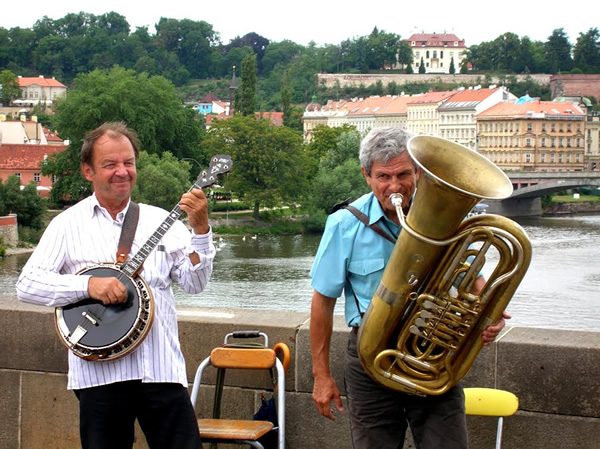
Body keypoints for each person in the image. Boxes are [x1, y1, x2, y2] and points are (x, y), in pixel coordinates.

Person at [16, 122, 215, 449]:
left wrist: (201, 231)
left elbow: (195, 284)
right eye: (110, 164)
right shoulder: (66, 225)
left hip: (160, 371)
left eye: (128, 163)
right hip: (99, 377)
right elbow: (27, 285)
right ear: (87, 171)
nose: (122, 172)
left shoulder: (161, 221)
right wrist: (88, 286)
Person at [309, 127, 509, 449]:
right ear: (366, 176)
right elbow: (322, 302)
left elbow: (473, 276)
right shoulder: (344, 225)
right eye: (383, 176)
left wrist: (488, 312)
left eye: (403, 174)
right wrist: (321, 375)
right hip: (369, 358)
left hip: (433, 356)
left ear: (417, 170)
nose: (395, 186)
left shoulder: (448, 217)